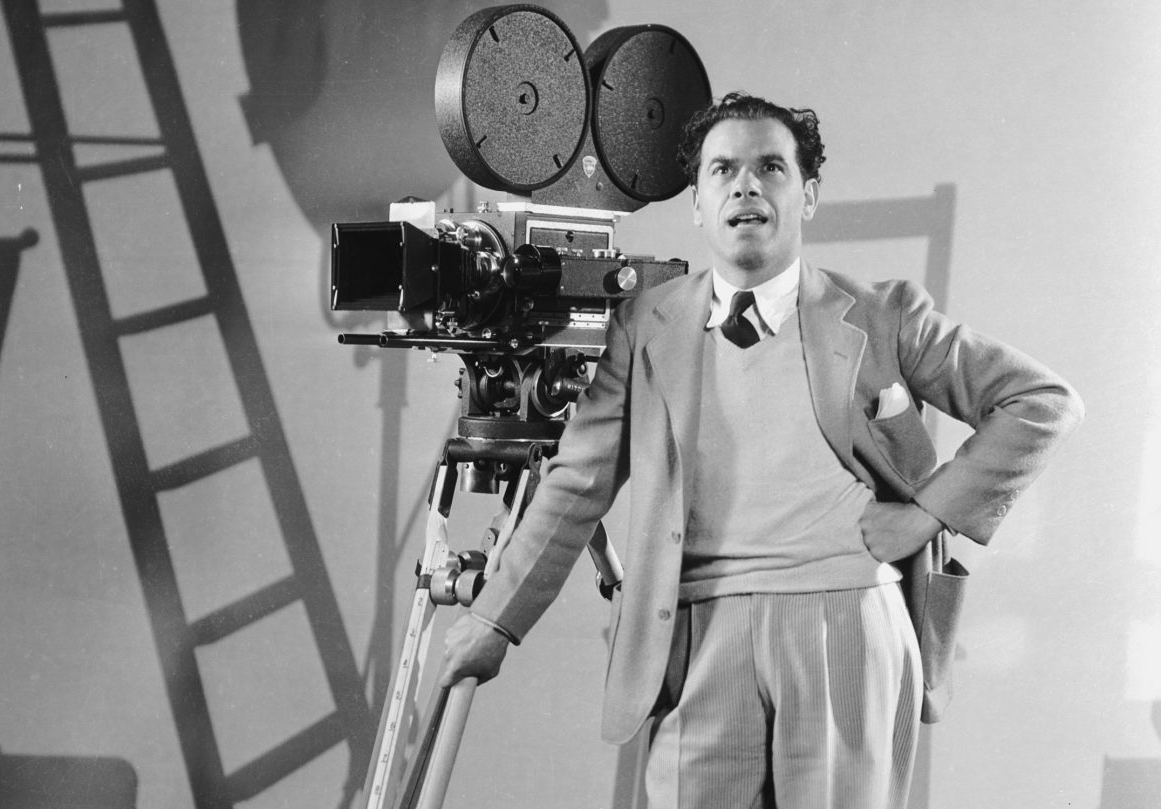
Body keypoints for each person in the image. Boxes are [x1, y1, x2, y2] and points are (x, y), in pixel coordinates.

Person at [436, 92, 1083, 808]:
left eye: (770, 166)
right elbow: (576, 484)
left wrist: (926, 514)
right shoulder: (645, 324)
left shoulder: (884, 315)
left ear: (806, 195)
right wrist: (495, 618)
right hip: (698, 632)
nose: (745, 184)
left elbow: (1041, 402)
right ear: (697, 203)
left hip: (847, 623)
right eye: (723, 171)